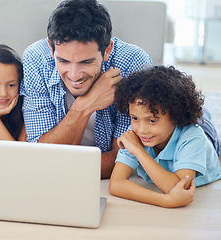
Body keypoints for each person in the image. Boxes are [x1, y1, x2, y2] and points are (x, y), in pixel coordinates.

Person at [20, 0, 152, 178]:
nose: (74, 75)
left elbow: (125, 158)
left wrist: (54, 167)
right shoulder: (36, 59)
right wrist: (85, 106)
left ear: (107, 50)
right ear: (51, 48)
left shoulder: (132, 62)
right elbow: (40, 152)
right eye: (64, 61)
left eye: (86, 62)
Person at [109, 65, 221, 208]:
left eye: (152, 120)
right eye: (134, 118)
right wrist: (165, 201)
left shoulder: (194, 138)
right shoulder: (135, 133)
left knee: (204, 120)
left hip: (205, 137)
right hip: (171, 130)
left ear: (175, 116)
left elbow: (177, 188)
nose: (142, 130)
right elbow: (116, 184)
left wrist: (138, 150)